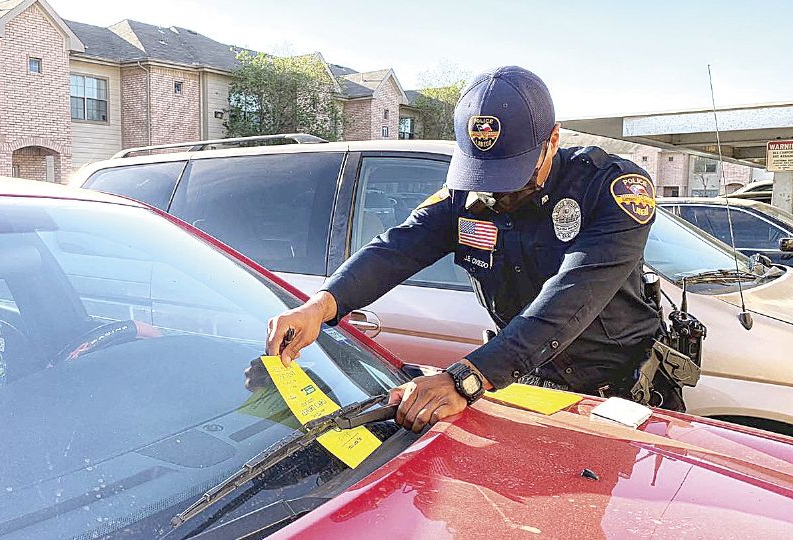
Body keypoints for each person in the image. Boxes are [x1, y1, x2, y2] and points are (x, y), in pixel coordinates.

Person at [266, 65, 664, 433]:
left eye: (511, 173)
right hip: (530, 386)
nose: (496, 192)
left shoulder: (611, 190)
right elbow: (396, 249)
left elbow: (571, 298)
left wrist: (467, 377)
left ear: (554, 140)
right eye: (485, 174)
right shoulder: (468, 196)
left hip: (618, 393)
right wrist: (320, 306)